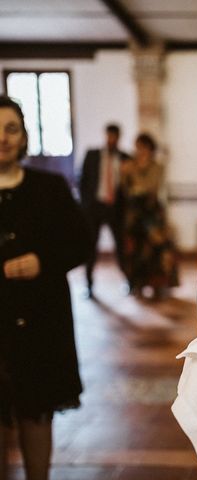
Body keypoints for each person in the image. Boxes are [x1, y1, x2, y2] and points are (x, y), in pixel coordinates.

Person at [0, 95, 90, 480]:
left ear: (23, 137)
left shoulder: (49, 188)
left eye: (10, 129)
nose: (2, 138)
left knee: (37, 412)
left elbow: (81, 242)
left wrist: (45, 261)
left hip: (41, 322)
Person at [120, 133, 179, 300]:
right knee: (135, 250)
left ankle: (157, 286)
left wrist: (136, 175)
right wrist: (125, 173)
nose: (140, 151)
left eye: (143, 147)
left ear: (150, 149)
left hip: (151, 214)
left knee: (157, 249)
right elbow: (125, 189)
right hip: (135, 215)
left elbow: (150, 187)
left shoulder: (157, 167)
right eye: (137, 147)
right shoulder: (129, 166)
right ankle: (136, 284)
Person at [79, 123, 130, 298]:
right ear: (105, 135)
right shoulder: (92, 155)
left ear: (118, 137)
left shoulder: (125, 158)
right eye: (109, 136)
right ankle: (89, 285)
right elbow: (83, 181)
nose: (111, 139)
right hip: (94, 208)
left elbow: (129, 186)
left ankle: (129, 281)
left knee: (121, 247)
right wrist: (86, 205)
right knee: (90, 247)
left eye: (115, 136)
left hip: (115, 209)